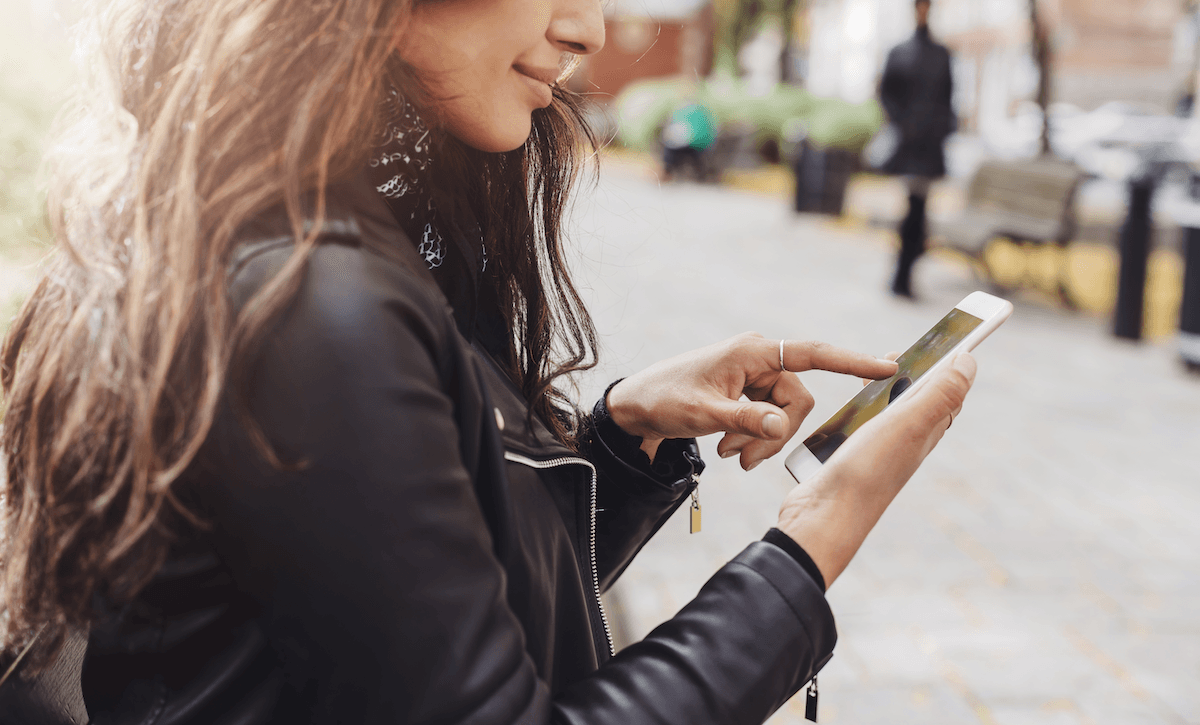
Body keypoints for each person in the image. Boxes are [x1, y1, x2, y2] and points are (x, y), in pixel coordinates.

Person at [0, 0, 977, 723]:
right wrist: (805, 553)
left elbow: (417, 616)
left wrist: (622, 438)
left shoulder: (279, 227)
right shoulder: (313, 300)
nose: (590, 28)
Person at [879, 0, 956, 298]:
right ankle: (903, 270)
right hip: (908, 145)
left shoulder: (941, 54)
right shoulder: (900, 52)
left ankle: (905, 270)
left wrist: (942, 128)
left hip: (929, 145)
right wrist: (903, 124)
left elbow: (949, 97)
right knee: (913, 207)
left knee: (918, 207)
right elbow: (886, 94)